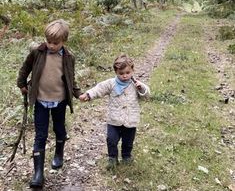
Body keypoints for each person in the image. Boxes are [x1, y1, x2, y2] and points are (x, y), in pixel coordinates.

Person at [17, 19, 81, 188]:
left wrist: (77, 93)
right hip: (40, 100)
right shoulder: (38, 52)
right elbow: (25, 68)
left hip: (59, 101)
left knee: (59, 129)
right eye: (49, 41)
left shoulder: (68, 57)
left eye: (55, 43)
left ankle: (59, 153)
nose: (51, 45)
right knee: (40, 134)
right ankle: (38, 173)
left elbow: (70, 78)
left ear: (64, 41)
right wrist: (22, 83)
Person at [79, 54, 150, 169]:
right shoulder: (111, 83)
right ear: (116, 72)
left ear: (132, 71)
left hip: (130, 119)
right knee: (111, 139)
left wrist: (141, 88)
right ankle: (112, 158)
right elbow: (99, 89)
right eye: (121, 74)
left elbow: (146, 95)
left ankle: (126, 156)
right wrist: (88, 94)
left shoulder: (135, 84)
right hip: (114, 119)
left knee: (128, 141)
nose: (125, 76)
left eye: (128, 73)